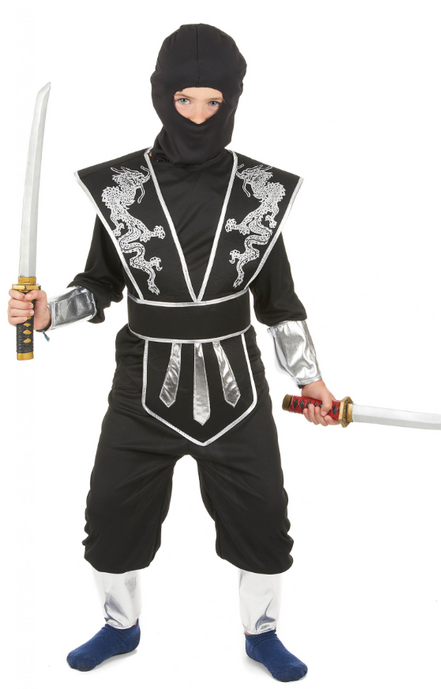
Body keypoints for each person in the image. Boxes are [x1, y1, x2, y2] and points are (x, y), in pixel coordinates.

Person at [7, 24, 338, 682]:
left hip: (237, 383)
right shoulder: (121, 187)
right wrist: (49, 313)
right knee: (110, 514)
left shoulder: (259, 191)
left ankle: (262, 632)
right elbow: (99, 283)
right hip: (143, 382)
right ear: (162, 96)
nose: (198, 116)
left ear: (232, 101)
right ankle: (118, 624)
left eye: (214, 102)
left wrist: (311, 380)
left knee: (263, 517)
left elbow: (279, 303)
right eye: (185, 100)